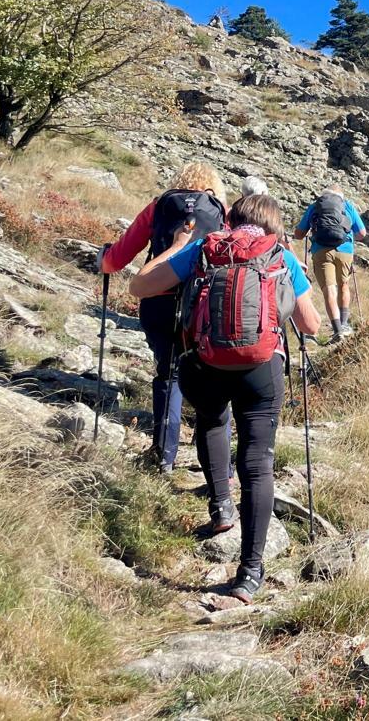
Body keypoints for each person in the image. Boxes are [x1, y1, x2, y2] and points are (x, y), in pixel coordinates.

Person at [129, 194, 320, 602]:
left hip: (206, 361)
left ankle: (220, 509)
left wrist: (179, 245)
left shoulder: (205, 247)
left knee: (212, 422)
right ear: (274, 224)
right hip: (262, 368)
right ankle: (249, 572)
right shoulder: (280, 255)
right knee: (256, 462)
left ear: (230, 219)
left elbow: (140, 286)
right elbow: (312, 325)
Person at [101, 162, 227, 472]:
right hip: (204, 304)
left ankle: (162, 458)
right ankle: (214, 466)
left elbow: (115, 261)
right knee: (210, 378)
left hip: (159, 301)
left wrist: (103, 257)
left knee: (168, 374)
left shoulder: (159, 206)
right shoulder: (221, 211)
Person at [293, 184, 366, 340]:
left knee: (329, 290)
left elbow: (299, 234)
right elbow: (362, 233)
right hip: (345, 251)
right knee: (343, 285)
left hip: (321, 251)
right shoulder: (347, 206)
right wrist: (347, 235)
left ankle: (338, 331)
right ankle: (344, 324)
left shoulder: (315, 207)